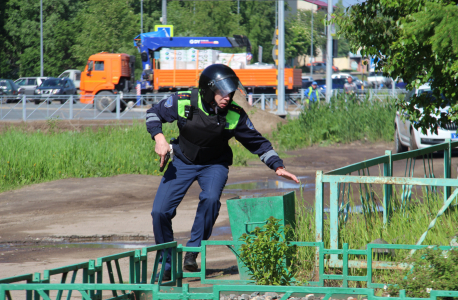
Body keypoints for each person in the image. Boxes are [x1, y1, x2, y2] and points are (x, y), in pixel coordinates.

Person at [146, 64, 299, 280]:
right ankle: (167, 264)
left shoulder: (235, 115)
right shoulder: (184, 101)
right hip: (182, 161)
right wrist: (159, 137)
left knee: (210, 199)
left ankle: (192, 252)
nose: (227, 97)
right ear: (208, 90)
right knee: (159, 212)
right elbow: (153, 113)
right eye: (222, 92)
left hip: (214, 164)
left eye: (230, 92)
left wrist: (278, 165)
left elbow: (258, 143)